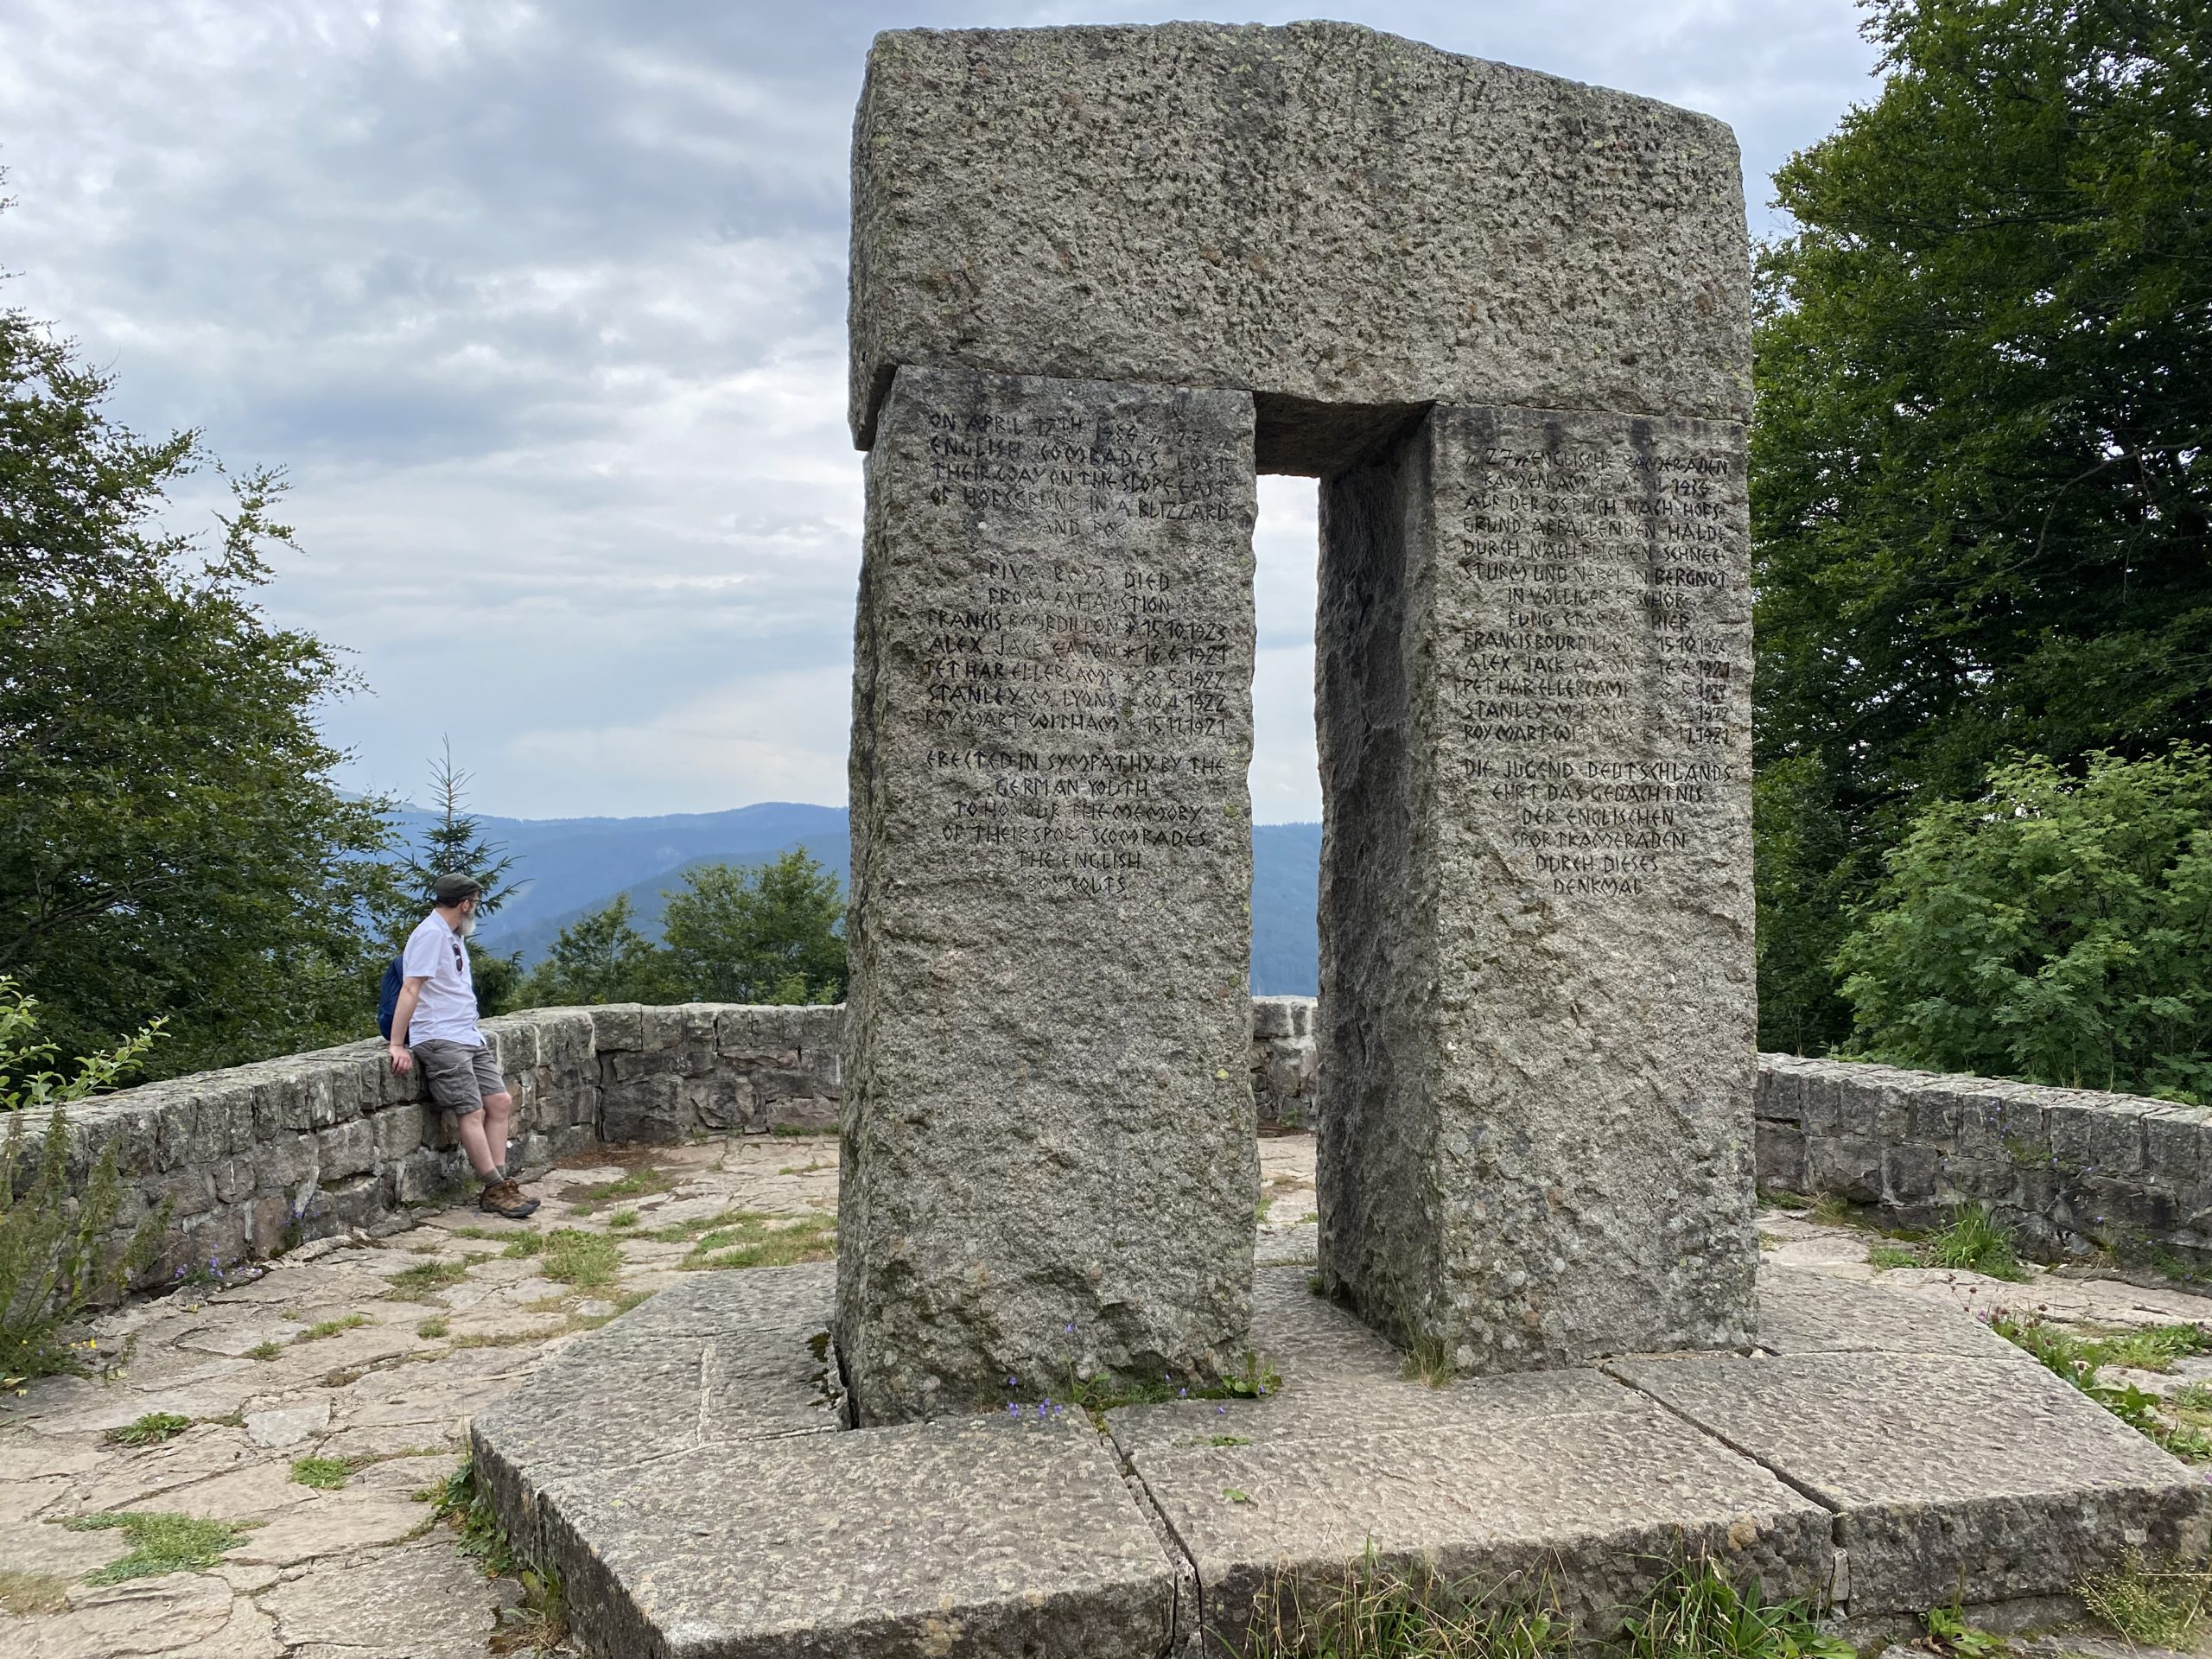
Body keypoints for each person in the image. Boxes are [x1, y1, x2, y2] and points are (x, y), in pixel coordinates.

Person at [387, 874, 539, 1219]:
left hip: (467, 1035)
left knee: (499, 1101)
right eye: (475, 903)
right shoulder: (429, 935)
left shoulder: (452, 936)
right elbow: (411, 988)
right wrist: (398, 1043)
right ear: (465, 903)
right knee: (471, 1111)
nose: (476, 910)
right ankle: (494, 1187)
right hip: (440, 1037)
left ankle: (499, 1183)